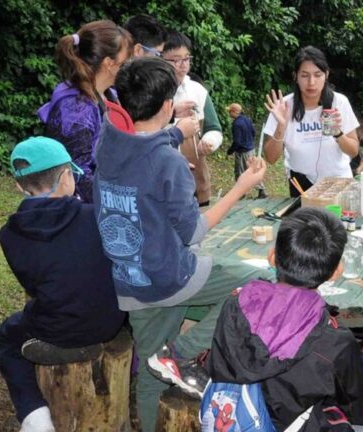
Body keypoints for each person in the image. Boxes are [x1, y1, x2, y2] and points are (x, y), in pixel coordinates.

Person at [93, 57, 270, 432]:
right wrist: (242, 186)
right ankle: (181, 354)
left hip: (132, 281)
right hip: (173, 276)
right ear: (167, 106)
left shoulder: (108, 142)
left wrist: (174, 132)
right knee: (262, 286)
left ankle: (162, 368)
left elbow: (141, 145)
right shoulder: (167, 163)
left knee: (151, 372)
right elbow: (193, 233)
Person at [0, 137, 125, 432]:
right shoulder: (96, 216)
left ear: (19, 186)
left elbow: (33, 285)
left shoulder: (8, 235)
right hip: (109, 321)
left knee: (4, 337)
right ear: (66, 177)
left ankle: (34, 416)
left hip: (54, 327)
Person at [207, 207, 363, 430]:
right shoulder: (335, 341)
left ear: (272, 257)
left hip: (233, 419)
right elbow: (353, 407)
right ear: (336, 272)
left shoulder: (235, 306)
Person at [37, 20, 133, 203]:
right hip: (78, 211)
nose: (129, 66)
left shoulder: (107, 93)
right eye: (126, 61)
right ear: (109, 64)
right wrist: (118, 202)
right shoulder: (76, 108)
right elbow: (77, 174)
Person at [263, 46, 360, 197]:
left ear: (326, 75)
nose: (311, 82)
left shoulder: (338, 102)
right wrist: (282, 126)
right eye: (305, 75)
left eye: (317, 75)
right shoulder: (284, 106)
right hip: (301, 186)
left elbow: (353, 151)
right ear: (295, 76)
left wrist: (337, 133)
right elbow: (270, 158)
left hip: (339, 184)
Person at [163, 30, 223, 206]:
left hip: (196, 184)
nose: (183, 65)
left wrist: (209, 141)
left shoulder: (197, 91)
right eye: (176, 59)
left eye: (187, 58)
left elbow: (214, 128)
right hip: (162, 184)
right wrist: (174, 117)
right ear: (160, 59)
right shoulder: (151, 91)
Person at [227, 102, 267, 198]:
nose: (229, 114)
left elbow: (237, 142)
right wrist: (249, 142)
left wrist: (230, 151)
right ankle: (261, 190)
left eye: (230, 112)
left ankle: (241, 193)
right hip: (251, 149)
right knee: (254, 170)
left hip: (242, 152)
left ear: (234, 112)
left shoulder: (236, 124)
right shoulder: (247, 119)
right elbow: (253, 132)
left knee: (239, 171)